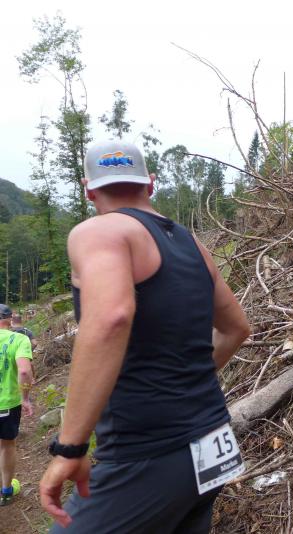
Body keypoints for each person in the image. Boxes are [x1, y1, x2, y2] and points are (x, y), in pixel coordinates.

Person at [39, 140, 251, 531]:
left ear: (89, 190)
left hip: (147, 454)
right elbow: (237, 328)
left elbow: (111, 317)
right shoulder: (192, 244)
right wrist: (183, 384)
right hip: (214, 441)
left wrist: (69, 447)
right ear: (150, 184)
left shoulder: (99, 232)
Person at [0, 304, 33, 507]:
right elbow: (24, 371)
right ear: (10, 320)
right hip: (7, 405)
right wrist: (25, 398)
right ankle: (6, 491)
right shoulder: (20, 339)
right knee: (6, 445)